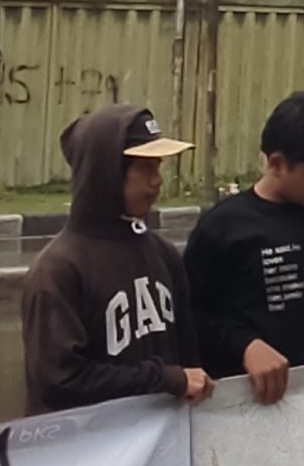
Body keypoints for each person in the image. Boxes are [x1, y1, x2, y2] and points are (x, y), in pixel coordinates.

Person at [21, 104, 213, 414]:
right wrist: (164, 379)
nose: (157, 181)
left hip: (159, 448)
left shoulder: (163, 255)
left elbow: (189, 363)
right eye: (145, 168)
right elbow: (58, 382)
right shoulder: (57, 270)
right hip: (87, 455)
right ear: (105, 171)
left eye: (158, 167)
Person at [183, 90, 304, 403]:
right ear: (277, 163)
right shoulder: (225, 227)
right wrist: (245, 345)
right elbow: (190, 318)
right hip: (254, 402)